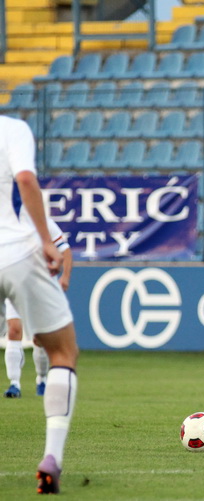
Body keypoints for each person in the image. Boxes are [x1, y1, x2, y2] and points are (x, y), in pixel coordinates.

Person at [0, 114, 79, 494]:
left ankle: (30, 380)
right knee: (63, 351)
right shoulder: (12, 128)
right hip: (15, 251)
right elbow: (26, 180)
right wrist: (47, 240)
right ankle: (51, 457)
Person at [4, 213, 73, 398]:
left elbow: (65, 250)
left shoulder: (46, 223)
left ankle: (41, 379)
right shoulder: (9, 224)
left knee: (39, 338)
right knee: (14, 329)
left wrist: (65, 277)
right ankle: (14, 384)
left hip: (40, 286)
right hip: (16, 282)